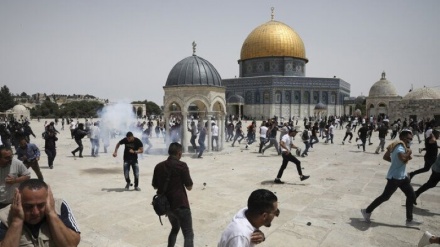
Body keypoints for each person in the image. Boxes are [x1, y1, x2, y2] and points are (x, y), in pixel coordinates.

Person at [361, 129, 421, 226]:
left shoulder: (399, 145)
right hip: (395, 178)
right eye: (409, 138)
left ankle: (409, 220)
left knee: (411, 195)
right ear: (403, 137)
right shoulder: (400, 147)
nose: (411, 140)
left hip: (402, 177)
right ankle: (367, 211)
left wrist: (395, 162)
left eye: (412, 138)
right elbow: (402, 158)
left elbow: (386, 157)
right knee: (385, 197)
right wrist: (408, 153)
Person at [0, 179, 81, 246]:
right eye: (28, 206)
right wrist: (17, 221)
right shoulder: (3, 216)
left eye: (41, 205)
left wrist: (52, 214)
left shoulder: (59, 206)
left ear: (48, 198)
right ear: (18, 199)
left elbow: (72, 244)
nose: (35, 212)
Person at [152, 142, 194, 247]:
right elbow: (189, 187)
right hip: (180, 204)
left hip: (167, 206)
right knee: (188, 233)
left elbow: (155, 186)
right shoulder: (182, 166)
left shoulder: (158, 166)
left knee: (175, 228)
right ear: (179, 153)